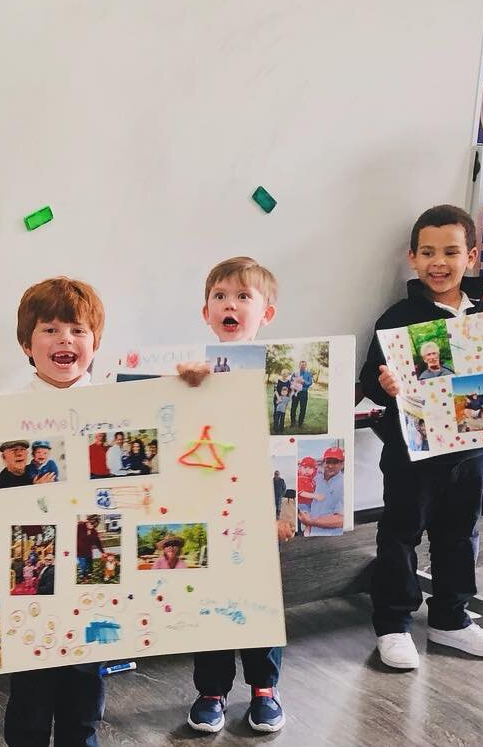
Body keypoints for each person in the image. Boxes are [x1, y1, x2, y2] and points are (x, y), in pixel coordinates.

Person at [0, 277, 121, 747]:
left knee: (84, 699)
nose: (65, 341)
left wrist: (195, 384)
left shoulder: (118, 406)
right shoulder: (0, 412)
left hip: (92, 581)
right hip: (26, 586)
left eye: (77, 330)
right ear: (25, 345)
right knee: (31, 704)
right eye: (50, 330)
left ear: (96, 342)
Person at [360, 205, 483, 671]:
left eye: (450, 251)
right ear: (412, 257)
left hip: (474, 450)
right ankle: (393, 624)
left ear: (471, 258)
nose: (438, 262)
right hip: (413, 452)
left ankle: (450, 617)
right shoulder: (398, 317)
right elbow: (371, 378)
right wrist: (382, 385)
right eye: (427, 252)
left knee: (460, 534)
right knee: (401, 534)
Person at [179, 256, 292, 735]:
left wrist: (285, 507)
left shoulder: (279, 372)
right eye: (221, 297)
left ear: (265, 313)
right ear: (206, 312)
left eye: (244, 297)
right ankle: (211, 689)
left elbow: (294, 446)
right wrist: (183, 385)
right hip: (207, 493)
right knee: (212, 592)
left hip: (261, 490)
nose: (231, 304)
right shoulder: (190, 369)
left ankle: (264, 688)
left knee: (260, 592)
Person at [299, 447, 345, 537]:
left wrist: (310, 522)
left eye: (335, 462)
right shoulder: (317, 478)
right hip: (312, 534)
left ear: (342, 464)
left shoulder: (342, 483)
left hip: (332, 537)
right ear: (323, 463)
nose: (330, 466)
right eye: (328, 461)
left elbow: (341, 520)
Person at [77, 514, 106, 581]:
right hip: (80, 553)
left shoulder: (94, 532)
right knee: (83, 566)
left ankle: (90, 572)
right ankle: (84, 575)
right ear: (88, 520)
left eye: (93, 525)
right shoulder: (79, 527)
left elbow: (98, 542)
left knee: (90, 564)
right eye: (90, 524)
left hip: (89, 552)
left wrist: (102, 552)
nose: (91, 526)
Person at [289, 361, 314, 428]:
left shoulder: (308, 374)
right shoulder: (295, 373)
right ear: (299, 365)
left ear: (306, 366)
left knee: (303, 409)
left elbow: (310, 383)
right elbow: (291, 381)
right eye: (301, 365)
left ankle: (300, 424)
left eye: (304, 365)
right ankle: (292, 422)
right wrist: (294, 384)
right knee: (293, 408)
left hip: (304, 393)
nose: (302, 366)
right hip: (295, 392)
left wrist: (303, 382)